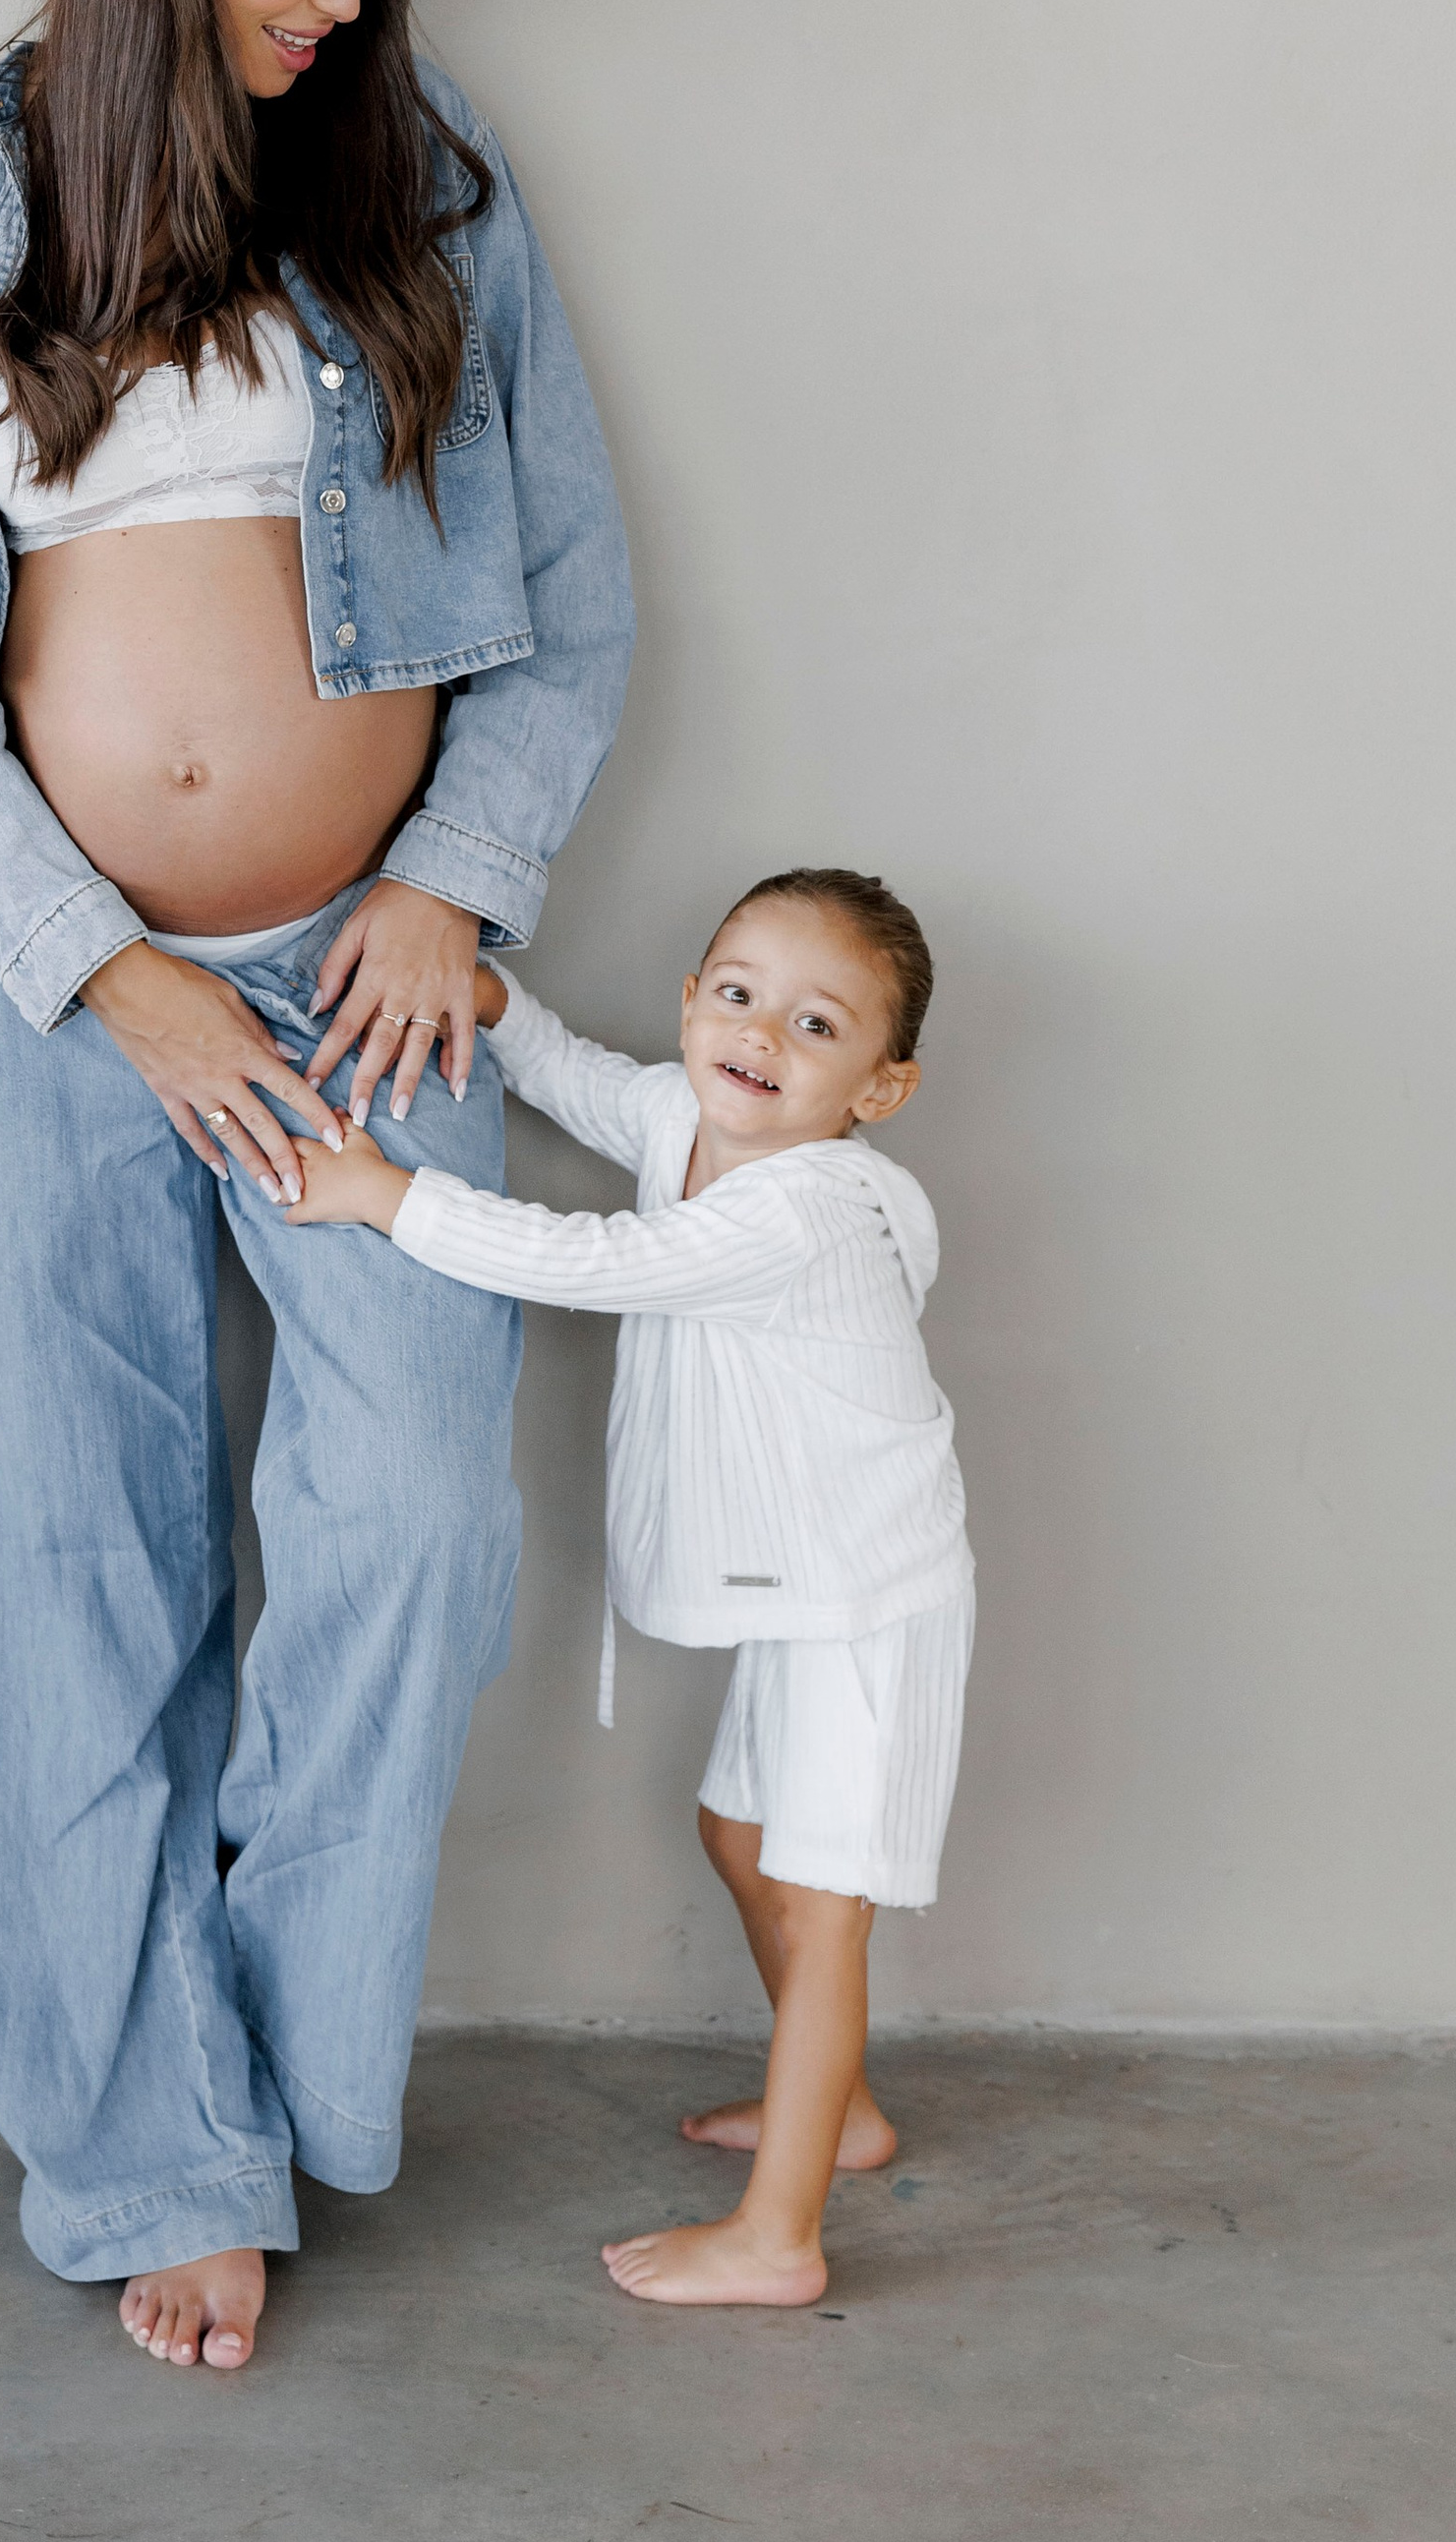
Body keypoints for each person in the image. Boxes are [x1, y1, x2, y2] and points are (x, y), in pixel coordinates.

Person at [0, 0, 632, 2371]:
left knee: (414, 1529)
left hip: (372, 990)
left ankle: (259, 2070)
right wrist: (106, 964)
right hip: (41, 993)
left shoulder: (431, 186)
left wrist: (456, 891)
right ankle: (163, 2154)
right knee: (62, 1574)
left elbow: (577, 609)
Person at [281, 865, 971, 2307]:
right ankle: (834, 2108)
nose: (761, 1037)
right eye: (737, 995)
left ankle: (779, 2235)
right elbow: (588, 1085)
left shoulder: (807, 1209)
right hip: (802, 1591)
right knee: (737, 1831)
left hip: (871, 1601)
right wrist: (493, 1002)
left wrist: (383, 1196)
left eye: (816, 1025)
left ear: (878, 1091)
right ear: (693, 1000)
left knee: (822, 1895)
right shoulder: (692, 1120)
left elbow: (589, 1260)